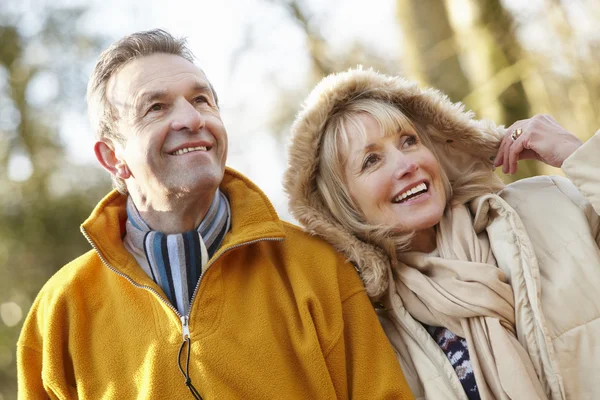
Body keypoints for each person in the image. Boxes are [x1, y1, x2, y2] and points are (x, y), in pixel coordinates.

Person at [16, 31, 414, 399]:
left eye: (202, 100)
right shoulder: (59, 312)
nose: (192, 119)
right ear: (113, 157)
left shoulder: (318, 268)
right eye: (156, 107)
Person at [284, 67, 600, 399]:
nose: (406, 165)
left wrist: (578, 155)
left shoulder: (549, 203)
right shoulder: (373, 337)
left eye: (409, 141)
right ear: (342, 203)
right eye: (372, 160)